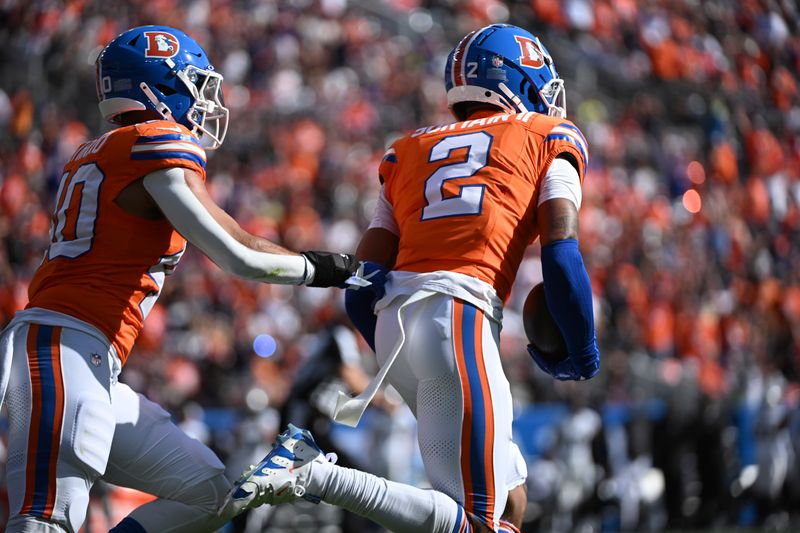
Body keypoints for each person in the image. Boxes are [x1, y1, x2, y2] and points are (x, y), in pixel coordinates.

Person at [224, 23, 600, 533]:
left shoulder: (406, 152)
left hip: (395, 321)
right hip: (459, 316)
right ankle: (312, 474)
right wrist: (581, 351)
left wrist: (397, 354)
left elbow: (364, 282)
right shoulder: (548, 136)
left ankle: (313, 472)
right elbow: (561, 254)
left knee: (510, 501)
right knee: (481, 522)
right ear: (516, 79)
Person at [0, 25, 358, 533]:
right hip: (64, 347)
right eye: (194, 84)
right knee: (45, 521)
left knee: (207, 495)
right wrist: (331, 269)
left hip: (89, 360)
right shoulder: (155, 140)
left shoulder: (103, 151)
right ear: (155, 86)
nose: (203, 100)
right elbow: (239, 253)